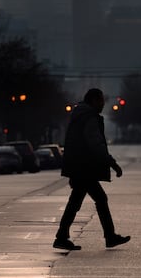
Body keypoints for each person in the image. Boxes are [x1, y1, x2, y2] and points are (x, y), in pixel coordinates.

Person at [53, 88, 131, 250]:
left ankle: (62, 236)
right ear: (94, 101)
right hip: (84, 167)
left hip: (79, 166)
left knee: (77, 201)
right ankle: (109, 236)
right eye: (101, 100)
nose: (103, 104)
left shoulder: (79, 115)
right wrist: (112, 163)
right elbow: (95, 144)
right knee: (99, 199)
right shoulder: (89, 118)